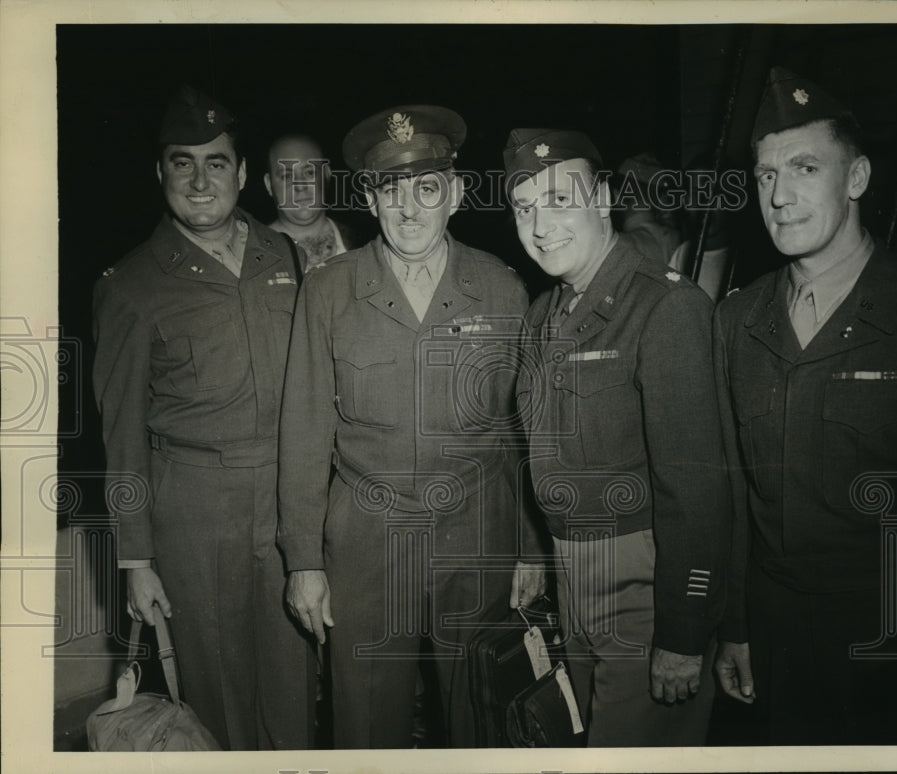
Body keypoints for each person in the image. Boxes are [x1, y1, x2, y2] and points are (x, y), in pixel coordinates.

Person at [712, 67, 897, 744]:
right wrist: (734, 627)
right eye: (766, 175)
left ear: (856, 179)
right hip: (774, 635)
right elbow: (734, 495)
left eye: (803, 168)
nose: (780, 195)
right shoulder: (737, 321)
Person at [277, 105, 542, 748]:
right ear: (369, 199)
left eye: (426, 188)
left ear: (453, 194)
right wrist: (304, 561)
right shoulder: (329, 291)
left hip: (475, 541)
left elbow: (522, 434)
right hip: (368, 548)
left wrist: (531, 547)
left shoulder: (503, 288)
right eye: (390, 189)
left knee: (479, 717)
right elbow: (305, 429)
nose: (409, 208)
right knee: (366, 726)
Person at [92, 85, 314, 750]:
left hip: (283, 500)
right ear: (160, 174)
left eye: (215, 162)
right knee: (216, 689)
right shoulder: (129, 285)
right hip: (193, 508)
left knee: (294, 679)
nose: (198, 179)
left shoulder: (285, 256)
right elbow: (121, 432)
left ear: (241, 174)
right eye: (181, 162)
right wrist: (135, 559)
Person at [503, 128, 732, 746]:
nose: (540, 224)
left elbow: (698, 488)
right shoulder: (544, 312)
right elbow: (537, 447)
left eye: (559, 199)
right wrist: (533, 548)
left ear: (603, 198)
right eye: (524, 208)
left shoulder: (664, 307)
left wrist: (684, 634)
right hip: (570, 571)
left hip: (645, 582)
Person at [263, 132, 357, 272]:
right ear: (269, 184)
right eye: (287, 176)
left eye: (309, 173)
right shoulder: (253, 252)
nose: (300, 186)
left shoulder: (361, 243)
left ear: (326, 174)